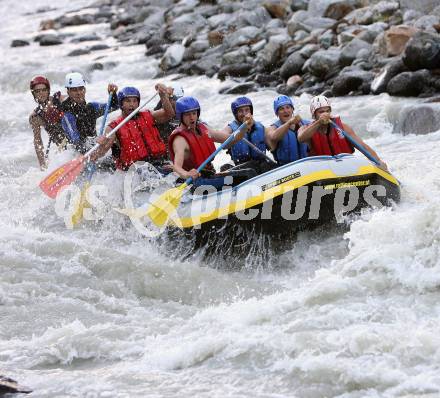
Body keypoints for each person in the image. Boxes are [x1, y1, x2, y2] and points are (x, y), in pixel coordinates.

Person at [168, 96, 252, 186]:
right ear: (180, 116)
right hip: (194, 183)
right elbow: (176, 167)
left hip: (208, 175)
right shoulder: (180, 140)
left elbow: (231, 139)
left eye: (194, 113)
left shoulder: (204, 129)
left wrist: (245, 126)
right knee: (246, 176)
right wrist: (187, 174)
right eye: (187, 115)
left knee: (249, 170)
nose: (192, 117)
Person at [90, 84, 174, 171]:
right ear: (121, 104)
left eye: (135, 101)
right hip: (133, 170)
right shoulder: (113, 127)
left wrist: (163, 95)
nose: (132, 104)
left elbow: (169, 114)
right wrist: (102, 144)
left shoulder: (150, 115)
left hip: (159, 163)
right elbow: (100, 153)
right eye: (128, 101)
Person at [297, 95, 387, 169]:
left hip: (345, 167)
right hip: (322, 170)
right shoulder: (305, 129)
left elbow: (363, 146)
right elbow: (301, 138)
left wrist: (378, 161)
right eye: (321, 112)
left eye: (328, 111)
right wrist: (319, 122)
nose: (325, 114)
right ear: (314, 114)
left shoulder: (343, 127)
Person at [60, 72, 118, 153]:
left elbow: (114, 106)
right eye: (74, 90)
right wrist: (92, 153)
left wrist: (113, 94)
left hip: (92, 147)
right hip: (74, 153)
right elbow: (76, 141)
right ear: (68, 92)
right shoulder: (67, 115)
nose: (78, 93)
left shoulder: (92, 107)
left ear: (85, 90)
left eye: (81, 88)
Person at [28, 76, 67, 170]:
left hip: (77, 141)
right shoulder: (35, 117)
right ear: (34, 94)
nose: (41, 93)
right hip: (64, 150)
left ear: (48, 90)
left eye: (44, 90)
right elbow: (38, 142)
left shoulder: (61, 100)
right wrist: (42, 165)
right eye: (37, 91)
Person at [223, 96, 268, 168]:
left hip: (261, 165)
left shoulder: (260, 127)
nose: (244, 113)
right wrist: (243, 129)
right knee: (224, 168)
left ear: (251, 112)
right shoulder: (230, 128)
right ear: (236, 114)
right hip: (241, 167)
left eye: (247, 110)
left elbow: (272, 142)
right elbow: (224, 145)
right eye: (240, 111)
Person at [265, 95, 308, 166]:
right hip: (285, 168)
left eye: (288, 107)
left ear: (292, 109)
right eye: (281, 109)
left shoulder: (305, 124)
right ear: (277, 113)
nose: (285, 111)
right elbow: (273, 137)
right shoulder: (271, 129)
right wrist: (289, 123)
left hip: (305, 164)